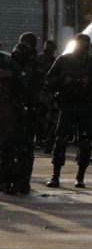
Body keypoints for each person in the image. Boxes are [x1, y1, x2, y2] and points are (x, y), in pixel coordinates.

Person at [45, 33, 92, 188]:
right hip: (68, 106)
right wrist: (63, 80)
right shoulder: (64, 60)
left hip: (87, 107)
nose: (82, 48)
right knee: (61, 140)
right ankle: (55, 176)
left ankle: (80, 177)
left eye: (85, 46)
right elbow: (48, 80)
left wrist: (91, 82)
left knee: (86, 142)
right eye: (80, 45)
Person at [10, 32, 45, 194]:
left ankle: (19, 182)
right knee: (21, 148)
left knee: (19, 148)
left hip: (22, 110)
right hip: (23, 110)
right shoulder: (21, 61)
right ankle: (18, 181)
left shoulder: (31, 63)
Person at [0, 44, 26, 195]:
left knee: (7, 148)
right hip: (8, 112)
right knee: (6, 148)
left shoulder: (9, 63)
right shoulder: (9, 63)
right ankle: (7, 181)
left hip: (7, 112)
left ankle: (7, 180)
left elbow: (20, 88)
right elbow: (21, 88)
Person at [36, 40, 58, 153]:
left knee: (51, 120)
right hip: (42, 93)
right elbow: (37, 72)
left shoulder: (55, 60)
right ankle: (40, 140)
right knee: (41, 119)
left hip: (50, 94)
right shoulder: (40, 59)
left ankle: (48, 141)